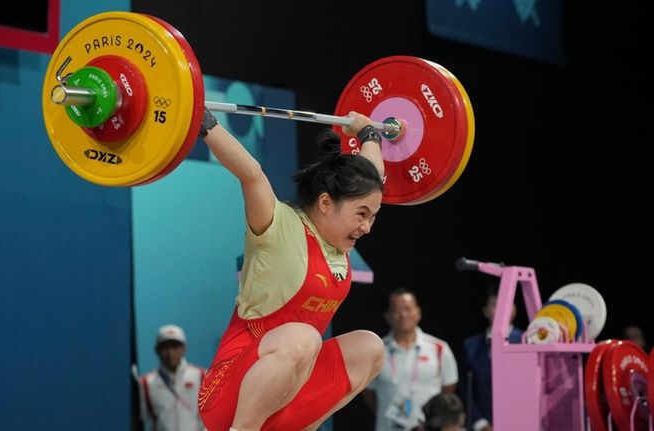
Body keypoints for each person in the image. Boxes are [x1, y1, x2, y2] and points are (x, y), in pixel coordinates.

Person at [196, 108, 386, 431]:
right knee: (305, 338)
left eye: (373, 216)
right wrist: (200, 117)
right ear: (326, 203)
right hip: (229, 392)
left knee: (371, 348)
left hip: (287, 392)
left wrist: (370, 135)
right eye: (362, 214)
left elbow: (372, 175)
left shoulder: (338, 243)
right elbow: (251, 173)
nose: (367, 227)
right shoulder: (279, 226)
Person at [362, 288, 459, 431]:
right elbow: (368, 391)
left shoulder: (439, 348)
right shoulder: (377, 351)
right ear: (388, 316)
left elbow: (449, 388)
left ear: (418, 312)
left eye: (408, 309)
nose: (403, 315)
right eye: (396, 310)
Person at [459, 284, 523, 431]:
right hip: (482, 425)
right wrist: (481, 424)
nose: (502, 310)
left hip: (520, 423)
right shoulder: (470, 346)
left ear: (515, 308)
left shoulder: (526, 341)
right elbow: (465, 389)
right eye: (495, 305)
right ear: (485, 311)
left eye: (507, 304)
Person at [132, 324, 207, 431]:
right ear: (157, 350)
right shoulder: (146, 384)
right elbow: (140, 420)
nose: (170, 352)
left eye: (175, 346)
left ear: (184, 348)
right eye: (165, 347)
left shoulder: (202, 376)